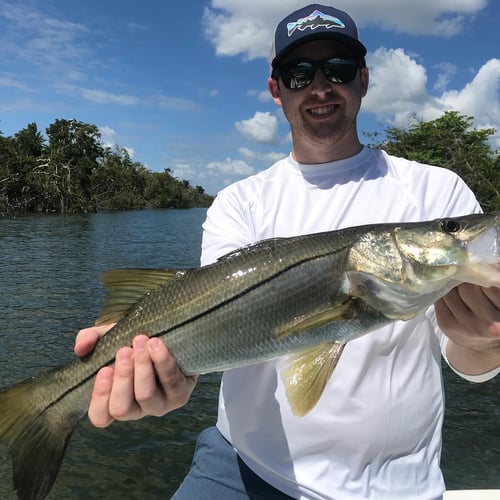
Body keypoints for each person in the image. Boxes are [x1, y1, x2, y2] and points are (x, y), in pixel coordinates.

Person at [75, 4, 500, 499]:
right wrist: (164, 378)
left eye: (337, 69)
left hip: (397, 483)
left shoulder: (435, 190)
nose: (319, 87)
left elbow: (466, 359)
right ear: (277, 90)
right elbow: (216, 331)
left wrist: (483, 342)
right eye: (299, 74)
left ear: (362, 79)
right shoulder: (240, 201)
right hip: (242, 468)